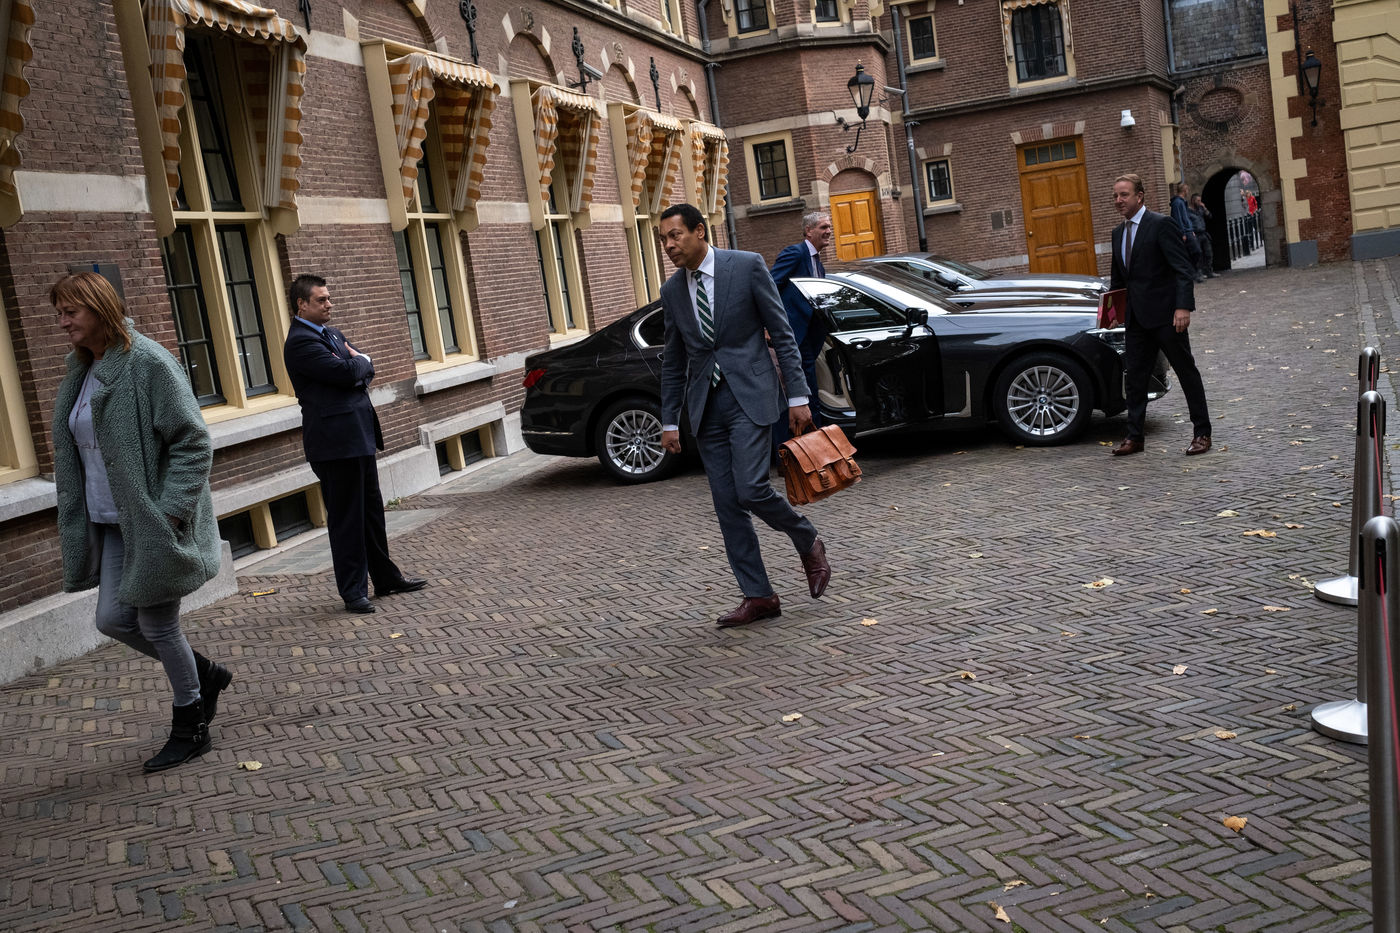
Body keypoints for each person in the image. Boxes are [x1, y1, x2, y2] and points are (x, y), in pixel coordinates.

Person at [50, 272, 232, 772]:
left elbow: (193, 441)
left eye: (70, 312)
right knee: (112, 620)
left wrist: (169, 512)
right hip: (111, 521)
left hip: (152, 522)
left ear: (99, 308)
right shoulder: (81, 369)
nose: (62, 322)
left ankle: (191, 725)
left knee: (157, 623)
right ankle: (204, 674)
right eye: (59, 313)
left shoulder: (148, 362)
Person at [657, 204, 832, 628]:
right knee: (726, 504)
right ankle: (759, 595)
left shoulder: (747, 266)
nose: (669, 246)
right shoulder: (673, 290)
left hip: (750, 396)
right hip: (706, 407)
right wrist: (669, 420)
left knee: (751, 489)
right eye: (663, 239)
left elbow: (783, 334)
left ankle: (806, 536)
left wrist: (798, 396)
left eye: (675, 236)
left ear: (700, 231)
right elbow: (674, 360)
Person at [283, 274, 426, 614]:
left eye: (328, 298)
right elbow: (350, 372)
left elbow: (360, 371)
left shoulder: (332, 334)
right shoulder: (300, 342)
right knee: (347, 519)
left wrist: (357, 365)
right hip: (334, 444)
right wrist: (361, 362)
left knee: (372, 514)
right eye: (321, 300)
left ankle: (386, 578)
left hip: (359, 436)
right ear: (302, 304)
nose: (329, 304)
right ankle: (353, 591)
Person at [1109, 174, 1213, 457]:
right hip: (1136, 320)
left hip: (1167, 317)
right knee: (1135, 380)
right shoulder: (1118, 233)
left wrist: (1183, 307)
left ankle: (1202, 433)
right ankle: (1134, 437)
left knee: (1186, 373)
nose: (1118, 200)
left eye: (1124, 195)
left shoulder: (1160, 224)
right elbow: (1119, 280)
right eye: (1115, 196)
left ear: (1139, 196)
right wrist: (1114, 312)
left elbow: (1182, 268)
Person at [770, 212, 833, 445]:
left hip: (810, 337)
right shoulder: (795, 253)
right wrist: (770, 324)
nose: (829, 231)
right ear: (809, 231)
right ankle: (811, 446)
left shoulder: (818, 263)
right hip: (794, 337)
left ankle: (812, 442)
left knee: (809, 390)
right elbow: (770, 286)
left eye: (829, 227)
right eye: (823, 227)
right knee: (805, 392)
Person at [1169, 183, 1205, 283]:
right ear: (1184, 190)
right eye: (1187, 190)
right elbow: (1178, 219)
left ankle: (1193, 273)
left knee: (1193, 252)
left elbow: (1186, 218)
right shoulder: (1177, 203)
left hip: (1189, 231)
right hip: (1185, 232)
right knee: (1196, 251)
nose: (1188, 192)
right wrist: (1183, 233)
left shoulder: (1182, 202)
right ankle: (1192, 272)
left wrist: (1191, 230)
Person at [1188, 193, 1217, 278]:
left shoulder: (1201, 209)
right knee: (1198, 254)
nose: (1200, 202)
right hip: (1195, 234)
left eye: (1200, 200)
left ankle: (1209, 271)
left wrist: (1205, 208)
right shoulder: (1188, 211)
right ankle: (1199, 272)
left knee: (1209, 252)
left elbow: (1209, 216)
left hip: (1203, 233)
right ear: (1193, 201)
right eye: (1198, 201)